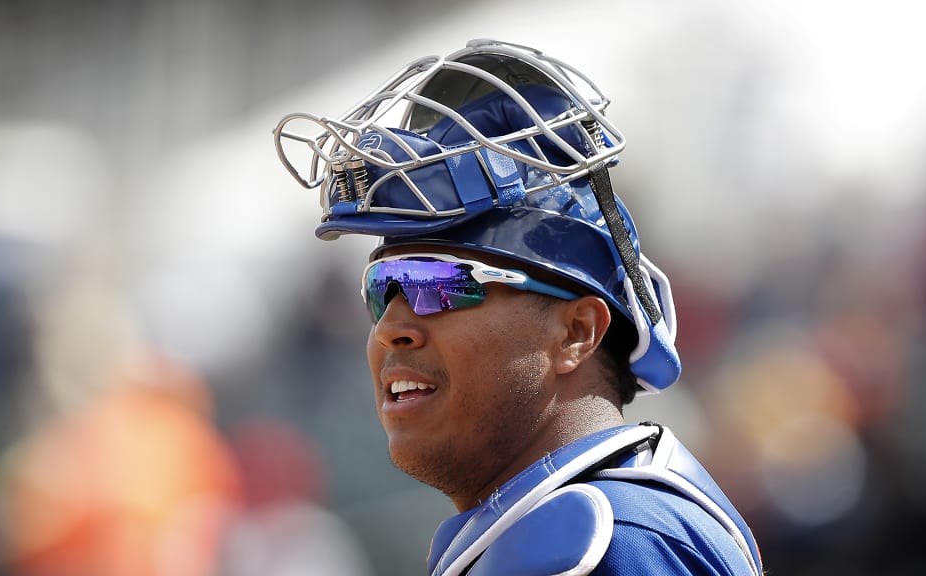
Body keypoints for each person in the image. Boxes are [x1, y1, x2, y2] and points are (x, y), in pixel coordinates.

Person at [273, 39, 763, 576]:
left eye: (437, 283)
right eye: (381, 287)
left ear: (577, 332)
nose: (391, 327)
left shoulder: (605, 541)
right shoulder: (561, 524)